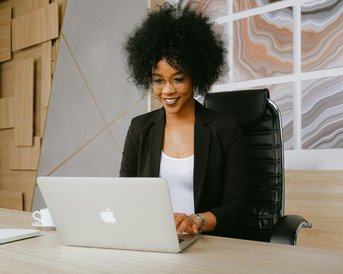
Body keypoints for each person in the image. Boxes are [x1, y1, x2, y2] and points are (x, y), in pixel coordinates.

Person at [120, 3, 247, 237]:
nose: (167, 90)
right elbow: (126, 192)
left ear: (195, 77)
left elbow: (238, 205)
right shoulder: (140, 128)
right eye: (158, 80)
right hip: (152, 238)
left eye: (178, 79)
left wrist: (197, 221)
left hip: (207, 242)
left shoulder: (226, 129)